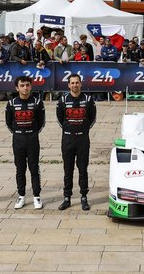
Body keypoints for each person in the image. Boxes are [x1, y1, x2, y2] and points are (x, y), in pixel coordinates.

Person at [57, 73, 96, 211]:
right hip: (67, 139)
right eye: (72, 83)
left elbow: (92, 118)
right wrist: (70, 129)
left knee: (83, 169)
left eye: (77, 82)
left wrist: (82, 129)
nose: (75, 85)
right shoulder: (62, 100)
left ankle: (84, 197)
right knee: (68, 170)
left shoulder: (88, 99)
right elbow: (60, 119)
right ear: (69, 85)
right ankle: (67, 198)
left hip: (82, 139)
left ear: (81, 84)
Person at [6, 76, 45, 210]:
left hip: (32, 139)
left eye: (27, 85)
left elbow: (41, 122)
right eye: (22, 85)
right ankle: (21, 196)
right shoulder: (11, 103)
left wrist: (31, 133)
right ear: (17, 88)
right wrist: (19, 133)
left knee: (34, 168)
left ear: (31, 86)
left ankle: (36, 196)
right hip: (18, 140)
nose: (25, 88)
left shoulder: (38, 102)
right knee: (20, 169)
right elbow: (9, 123)